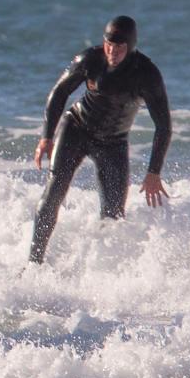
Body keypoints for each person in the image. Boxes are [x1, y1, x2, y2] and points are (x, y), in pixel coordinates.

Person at [29, 15, 171, 264]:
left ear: (131, 46)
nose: (112, 52)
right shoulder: (90, 60)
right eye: (108, 45)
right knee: (53, 194)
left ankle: (100, 273)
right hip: (76, 129)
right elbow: (59, 92)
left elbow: (164, 126)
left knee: (114, 216)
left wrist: (153, 172)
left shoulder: (147, 74)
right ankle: (34, 263)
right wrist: (46, 137)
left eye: (119, 47)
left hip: (113, 143)